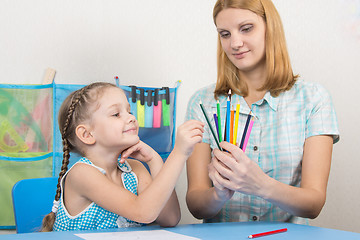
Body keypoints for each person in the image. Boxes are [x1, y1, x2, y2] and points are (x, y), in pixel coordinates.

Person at [185, 0, 339, 224]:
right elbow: (196, 205)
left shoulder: (313, 99)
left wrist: (260, 185)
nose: (235, 43)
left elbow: (314, 203)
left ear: (271, 28)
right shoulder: (203, 103)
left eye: (246, 29)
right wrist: (218, 195)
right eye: (225, 34)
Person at [41, 82, 204, 231]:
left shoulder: (136, 170)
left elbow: (170, 218)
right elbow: (143, 212)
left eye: (129, 111)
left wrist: (154, 161)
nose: (132, 118)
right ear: (87, 134)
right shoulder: (82, 174)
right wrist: (179, 153)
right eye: (116, 114)